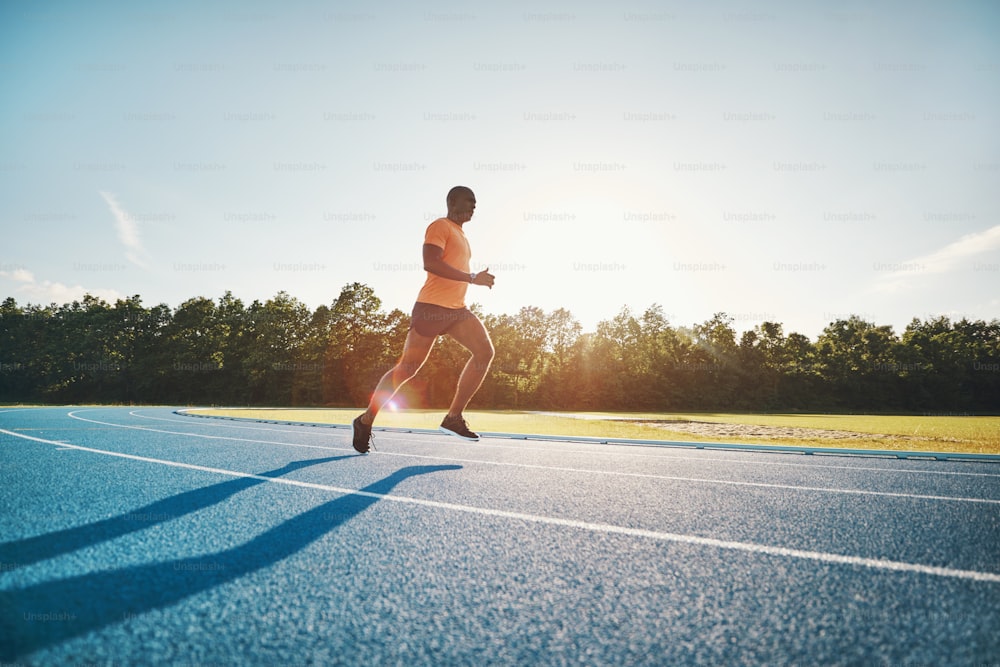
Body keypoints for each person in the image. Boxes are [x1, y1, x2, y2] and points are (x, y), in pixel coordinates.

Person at [351, 186, 496, 453]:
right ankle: (365, 420)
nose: (474, 206)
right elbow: (430, 262)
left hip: (456, 310)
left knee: (485, 352)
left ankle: (453, 418)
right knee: (408, 368)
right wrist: (472, 278)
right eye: (469, 201)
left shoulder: (462, 235)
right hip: (431, 307)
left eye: (476, 203)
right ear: (452, 202)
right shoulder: (439, 226)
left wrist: (471, 278)